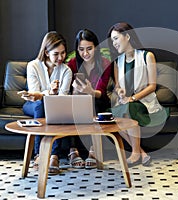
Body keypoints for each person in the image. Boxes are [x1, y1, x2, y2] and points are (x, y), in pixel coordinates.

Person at [107, 22, 169, 167]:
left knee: (129, 109)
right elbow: (117, 86)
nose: (114, 43)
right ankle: (141, 152)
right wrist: (120, 91)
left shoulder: (147, 56)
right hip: (126, 102)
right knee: (112, 119)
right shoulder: (117, 62)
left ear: (127, 36)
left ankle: (135, 154)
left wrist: (132, 98)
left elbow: (152, 86)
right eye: (112, 41)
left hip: (144, 102)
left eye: (116, 38)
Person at [21, 31, 73, 175]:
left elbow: (63, 98)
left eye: (63, 53)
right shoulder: (33, 66)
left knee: (55, 109)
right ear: (46, 52)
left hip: (54, 106)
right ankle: (39, 154)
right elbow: (34, 93)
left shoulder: (66, 71)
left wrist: (53, 95)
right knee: (40, 105)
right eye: (56, 54)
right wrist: (50, 93)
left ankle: (54, 155)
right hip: (33, 104)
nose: (61, 57)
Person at [67, 29, 112, 169]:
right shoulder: (73, 64)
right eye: (81, 49)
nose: (85, 53)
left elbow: (101, 92)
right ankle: (73, 151)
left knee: (94, 102)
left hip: (98, 100)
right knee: (70, 107)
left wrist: (90, 91)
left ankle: (93, 150)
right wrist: (75, 91)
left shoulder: (104, 63)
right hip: (77, 100)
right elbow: (68, 90)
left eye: (89, 49)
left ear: (96, 48)